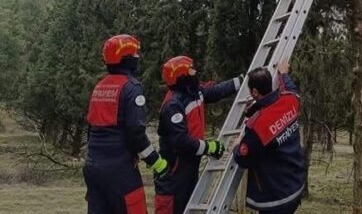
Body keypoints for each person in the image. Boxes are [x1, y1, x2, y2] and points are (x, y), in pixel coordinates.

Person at [84, 34, 166, 214]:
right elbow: (135, 133)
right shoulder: (131, 87)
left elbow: (91, 129)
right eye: (135, 55)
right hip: (120, 171)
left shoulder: (99, 86)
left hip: (93, 168)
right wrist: (157, 163)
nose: (137, 58)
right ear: (127, 59)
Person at [154, 55, 244, 214]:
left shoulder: (194, 92)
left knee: (190, 206)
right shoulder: (173, 104)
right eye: (191, 70)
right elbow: (180, 141)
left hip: (189, 163)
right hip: (174, 169)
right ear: (182, 77)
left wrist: (241, 81)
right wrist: (208, 147)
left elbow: (215, 91)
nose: (195, 72)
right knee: (173, 208)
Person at [233, 61, 306, 214]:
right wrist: (283, 73)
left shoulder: (257, 126)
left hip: (275, 198)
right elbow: (291, 89)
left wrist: (237, 146)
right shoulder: (289, 101)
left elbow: (244, 158)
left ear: (254, 92)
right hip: (295, 186)